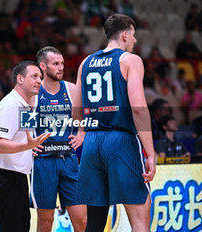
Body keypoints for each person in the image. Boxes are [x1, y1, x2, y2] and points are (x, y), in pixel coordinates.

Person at [73, 14, 156, 232]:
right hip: (120, 140)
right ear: (126, 34)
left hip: (92, 143)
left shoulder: (85, 62)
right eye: (134, 35)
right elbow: (138, 110)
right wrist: (151, 153)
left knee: (95, 221)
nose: (135, 41)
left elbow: (77, 107)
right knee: (140, 217)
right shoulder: (130, 60)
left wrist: (82, 131)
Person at [0, 61, 50, 232]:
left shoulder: (30, 101)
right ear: (20, 79)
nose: (39, 81)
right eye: (34, 76)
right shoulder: (9, 106)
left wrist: (30, 147)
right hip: (4, 175)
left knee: (22, 227)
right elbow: (1, 144)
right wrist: (27, 145)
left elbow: (23, 135)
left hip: (19, 175)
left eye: (40, 77)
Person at [32, 46, 86, 232]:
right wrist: (27, 144)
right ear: (43, 67)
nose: (61, 67)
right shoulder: (34, 93)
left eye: (62, 63)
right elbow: (24, 125)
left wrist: (81, 132)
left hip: (69, 160)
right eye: (56, 64)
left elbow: (87, 112)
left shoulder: (71, 89)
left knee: (82, 219)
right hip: (44, 162)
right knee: (46, 220)